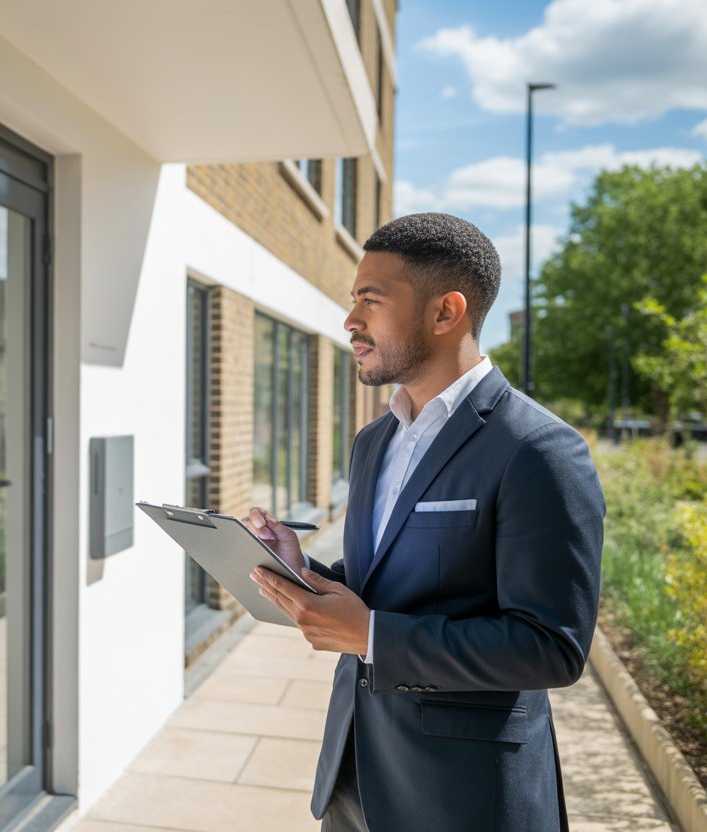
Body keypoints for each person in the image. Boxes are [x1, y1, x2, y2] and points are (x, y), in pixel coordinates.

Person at [247, 212, 605, 832]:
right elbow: (380, 585)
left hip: (463, 798)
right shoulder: (373, 442)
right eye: (353, 300)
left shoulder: (538, 450)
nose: (350, 321)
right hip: (354, 772)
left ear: (447, 312)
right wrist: (300, 569)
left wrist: (374, 637)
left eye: (371, 300)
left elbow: (552, 647)